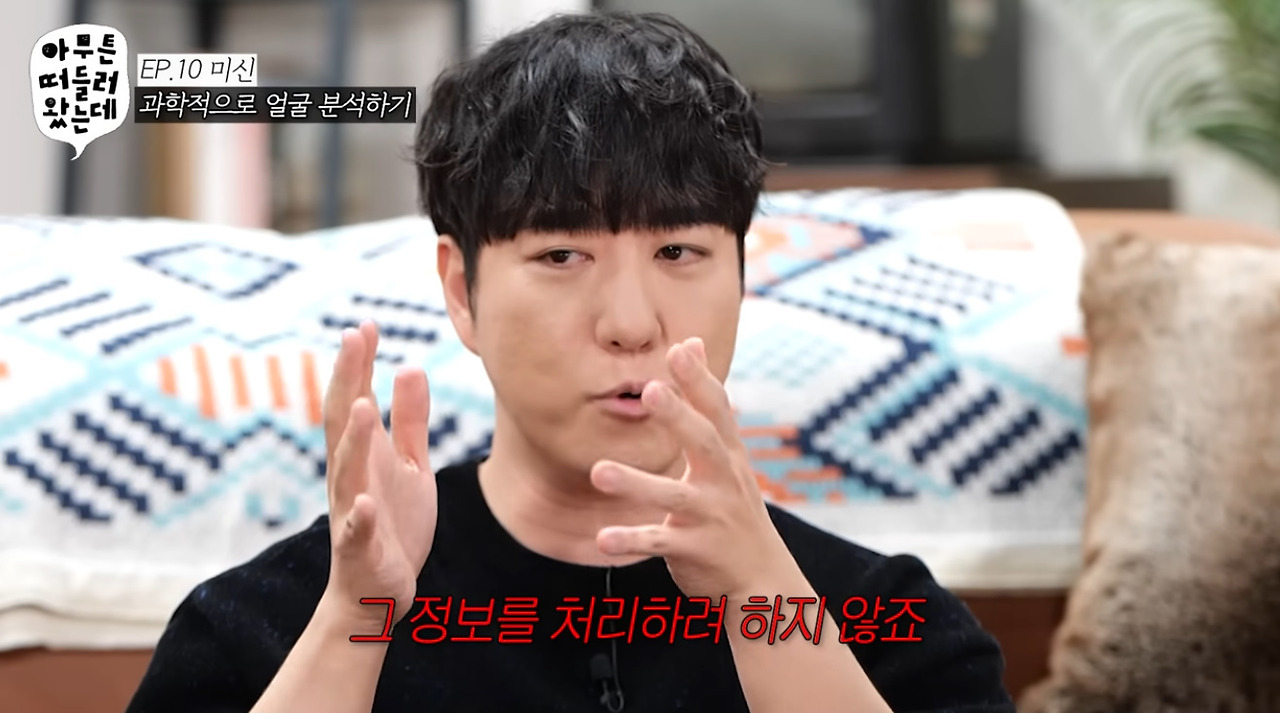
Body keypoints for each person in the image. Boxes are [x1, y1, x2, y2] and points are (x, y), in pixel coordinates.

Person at [125, 11, 1015, 713]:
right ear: (463, 290)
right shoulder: (260, 627)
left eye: (678, 252)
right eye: (561, 255)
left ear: (744, 275)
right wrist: (357, 620)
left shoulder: (891, 626)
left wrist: (761, 596)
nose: (630, 324)